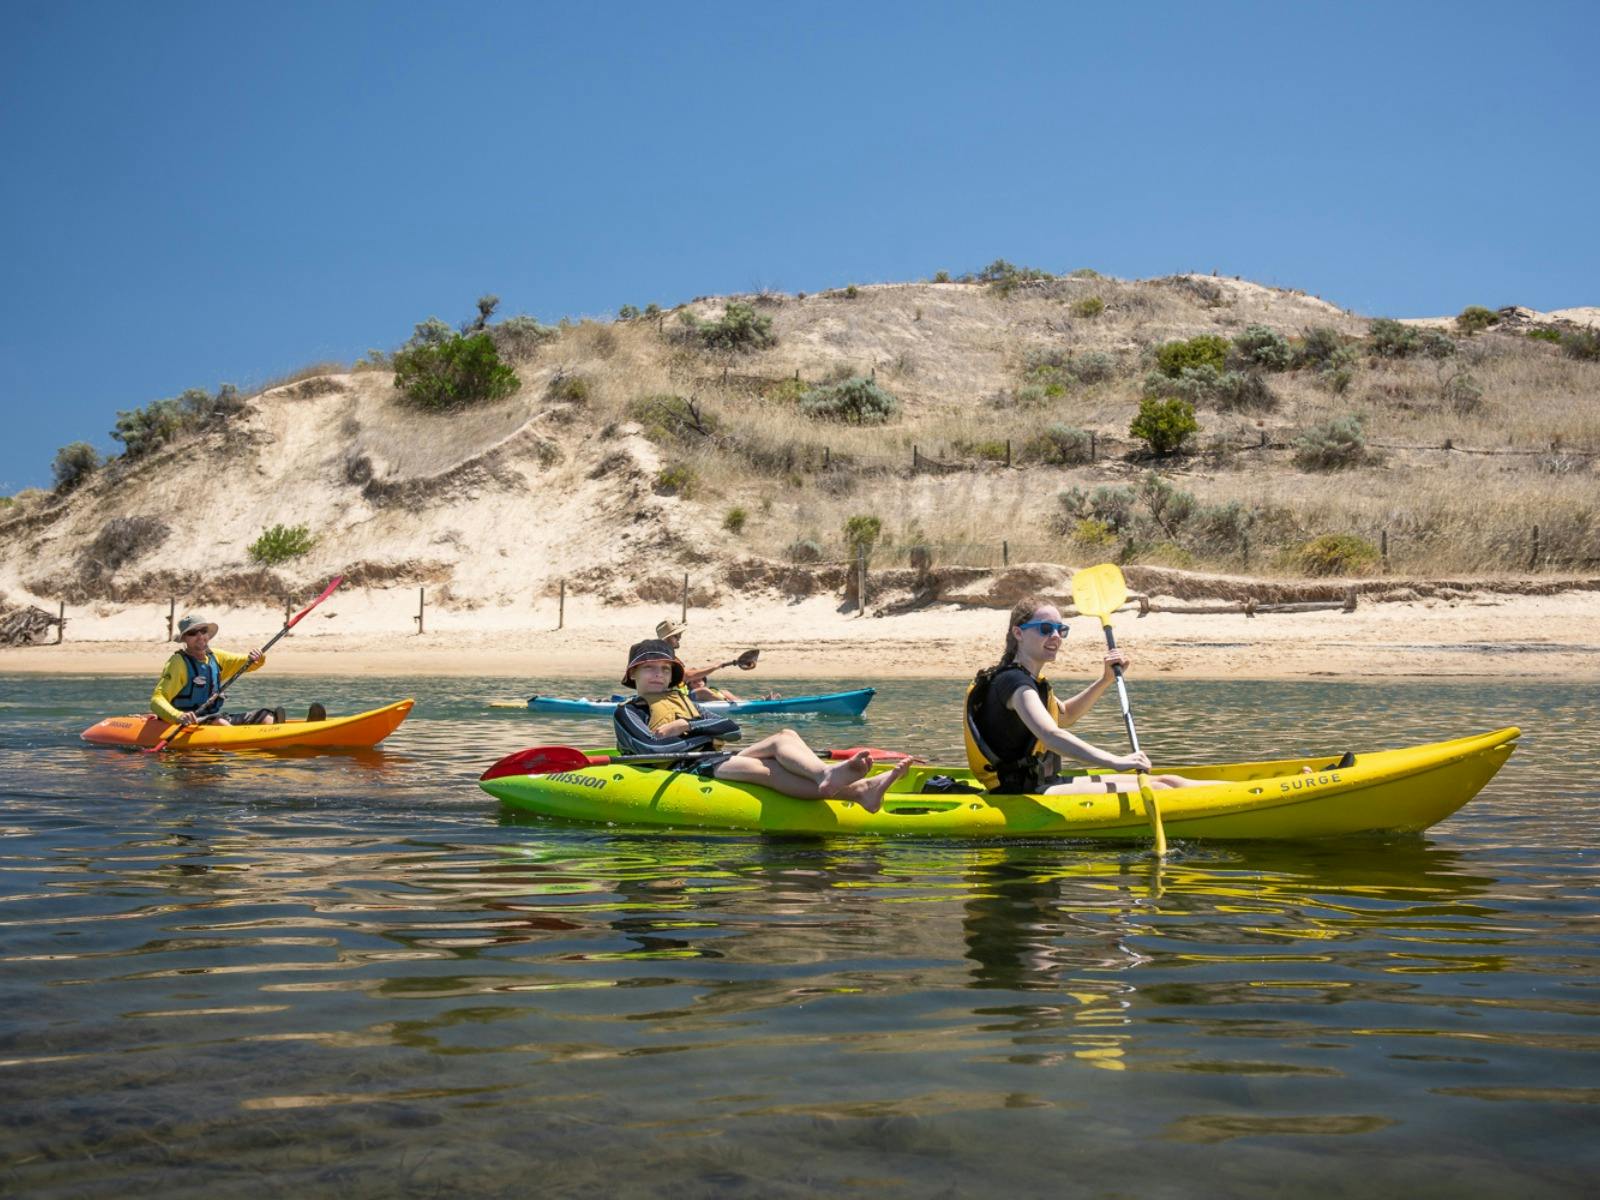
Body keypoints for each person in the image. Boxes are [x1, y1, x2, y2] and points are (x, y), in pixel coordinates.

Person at [615, 639, 908, 812]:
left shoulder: (686, 705)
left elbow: (731, 729)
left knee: (786, 735)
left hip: (712, 759)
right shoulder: (629, 712)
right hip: (681, 770)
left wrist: (686, 727)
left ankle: (826, 773)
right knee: (766, 769)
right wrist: (699, 731)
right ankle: (860, 791)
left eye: (664, 669)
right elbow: (652, 748)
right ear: (635, 675)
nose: (658, 674)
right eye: (650, 668)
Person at [965, 598, 1207, 795]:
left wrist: (1105, 681)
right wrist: (1116, 762)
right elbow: (1051, 736)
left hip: (1042, 783)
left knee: (1169, 781)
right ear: (1018, 633)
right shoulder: (1015, 683)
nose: (1056, 636)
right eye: (1046, 629)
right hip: (1022, 791)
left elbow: (1066, 716)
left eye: (1061, 630)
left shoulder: (1031, 682)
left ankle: (1243, 794)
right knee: (1157, 788)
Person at [151, 615, 282, 727]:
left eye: (203, 631)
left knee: (265, 716)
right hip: (185, 722)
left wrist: (258, 656)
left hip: (210, 717)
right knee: (220, 722)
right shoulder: (178, 663)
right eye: (192, 633)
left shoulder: (217, 657)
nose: (200, 636)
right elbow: (157, 699)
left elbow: (250, 663)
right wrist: (178, 716)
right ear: (184, 638)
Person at [654, 617, 774, 702]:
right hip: (675, 698)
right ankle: (732, 705)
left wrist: (715, 665)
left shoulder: (672, 656)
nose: (680, 637)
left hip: (683, 695)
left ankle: (753, 703)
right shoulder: (664, 656)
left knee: (724, 691)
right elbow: (687, 675)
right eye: (676, 635)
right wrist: (714, 667)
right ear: (667, 639)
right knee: (703, 692)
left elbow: (687, 673)